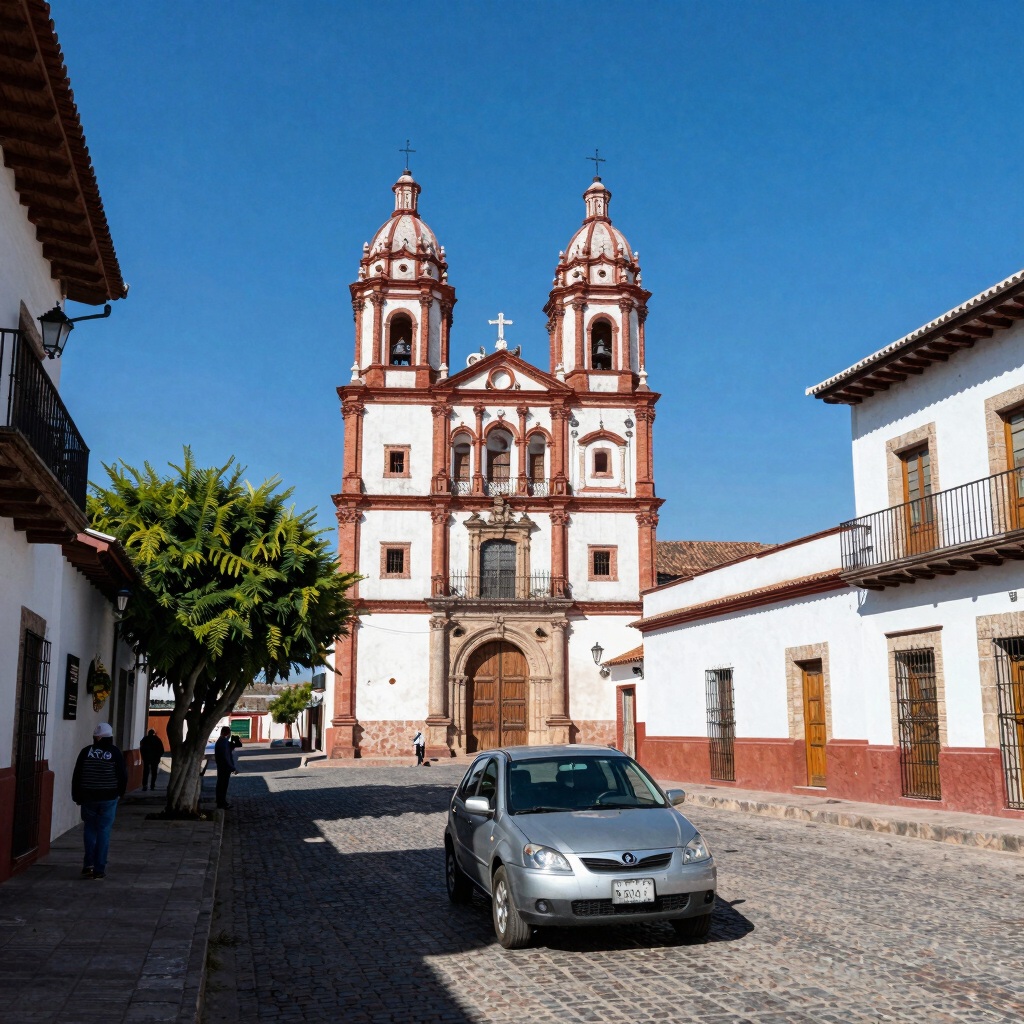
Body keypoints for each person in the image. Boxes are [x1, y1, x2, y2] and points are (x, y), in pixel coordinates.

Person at [71, 722, 127, 880]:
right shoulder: (115, 753)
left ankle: (88, 865)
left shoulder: (85, 752)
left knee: (90, 830)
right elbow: (122, 775)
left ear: (97, 737)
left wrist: (76, 795)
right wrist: (120, 793)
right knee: (104, 832)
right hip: (109, 798)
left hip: (88, 797)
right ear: (110, 737)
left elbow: (77, 775)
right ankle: (99, 868)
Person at [214, 726, 238, 809]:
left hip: (222, 766)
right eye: (229, 733)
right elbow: (226, 756)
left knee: (222, 785)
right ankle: (221, 802)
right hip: (224, 767)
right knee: (222, 785)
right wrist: (232, 767)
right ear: (226, 733)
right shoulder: (222, 742)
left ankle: (222, 801)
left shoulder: (223, 741)